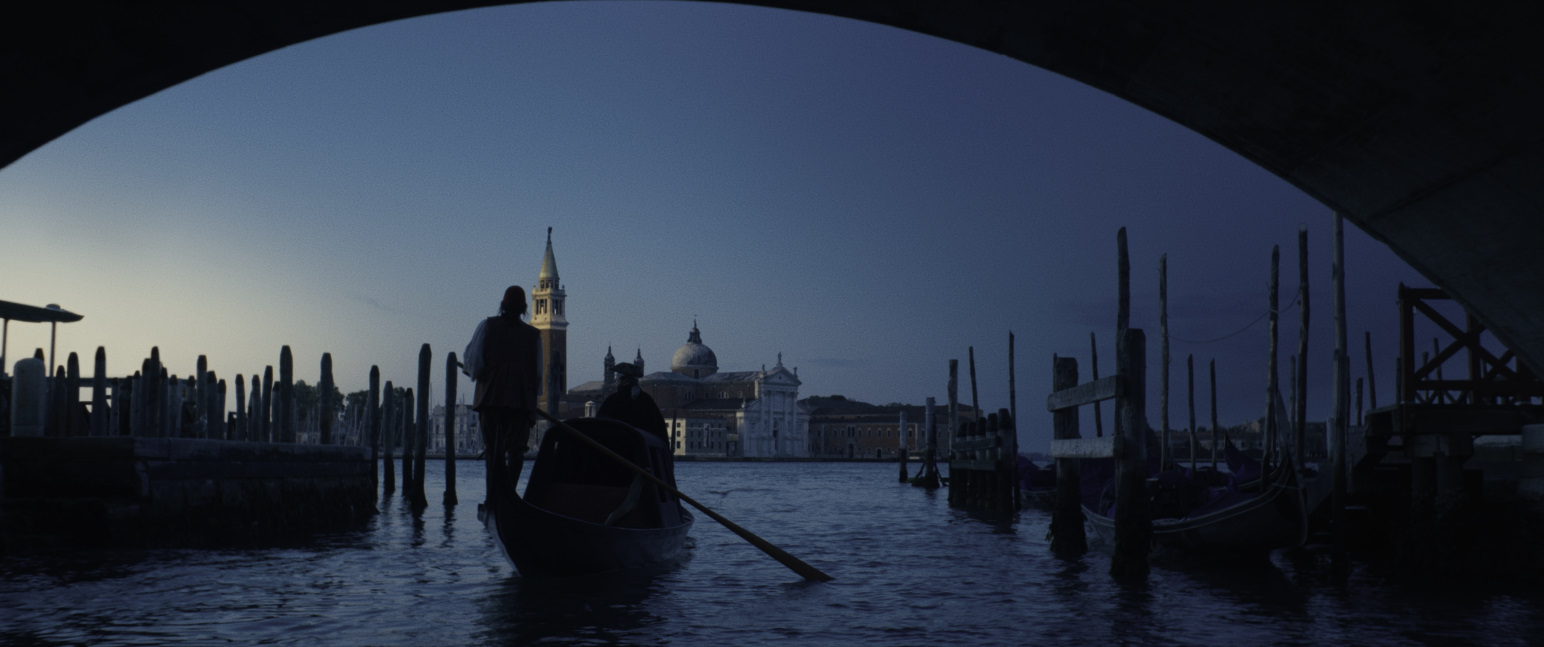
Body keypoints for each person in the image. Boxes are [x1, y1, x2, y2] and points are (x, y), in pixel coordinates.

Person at [465, 285, 542, 495]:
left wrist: (477, 376)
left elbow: (473, 363)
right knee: (516, 452)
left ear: (503, 306)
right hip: (521, 401)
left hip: (490, 397)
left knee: (493, 450)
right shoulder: (534, 336)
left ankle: (493, 496)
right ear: (524, 308)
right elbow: (537, 376)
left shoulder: (487, 326)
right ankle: (508, 495)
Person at [597, 362, 668, 442]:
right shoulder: (646, 400)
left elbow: (601, 425)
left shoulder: (613, 400)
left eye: (618, 380)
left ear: (623, 381)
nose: (616, 382)